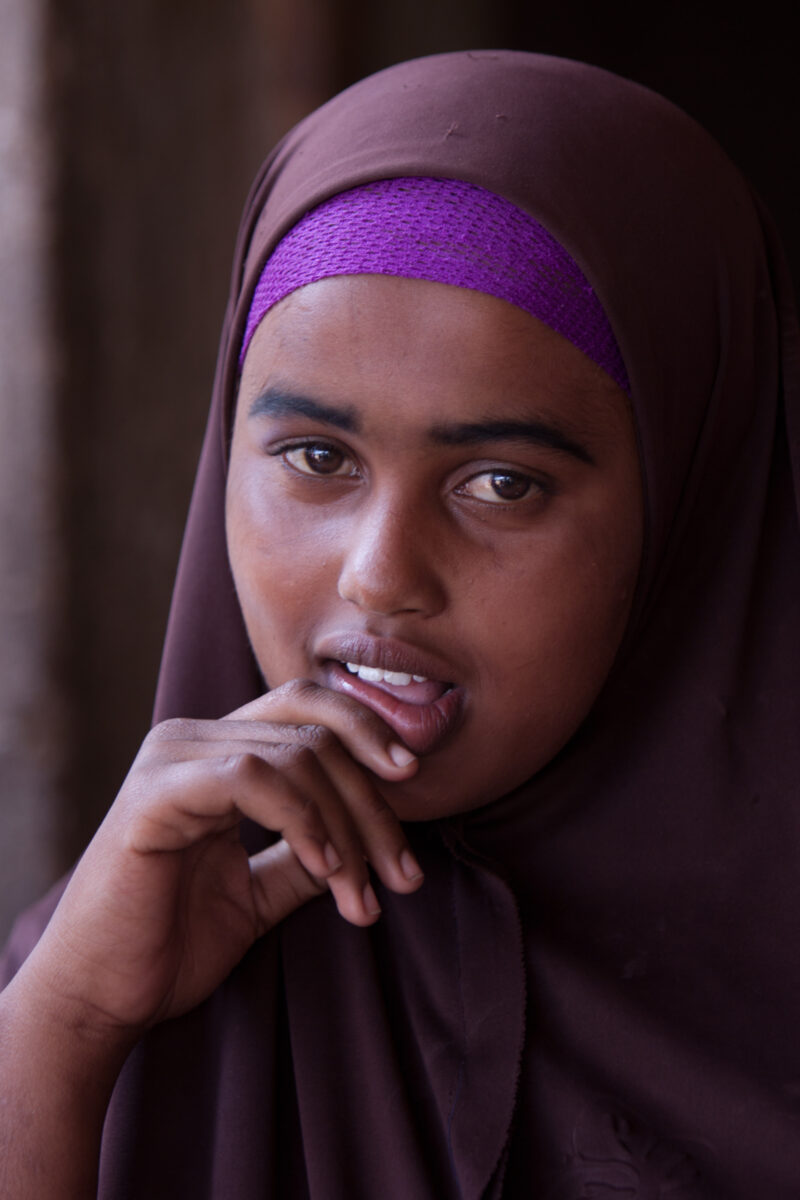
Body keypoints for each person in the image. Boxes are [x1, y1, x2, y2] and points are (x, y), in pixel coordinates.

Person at [1, 48, 799, 1199]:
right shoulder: (113, 959)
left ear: (690, 505)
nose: (379, 578)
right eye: (316, 458)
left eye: (501, 484)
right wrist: (67, 1028)